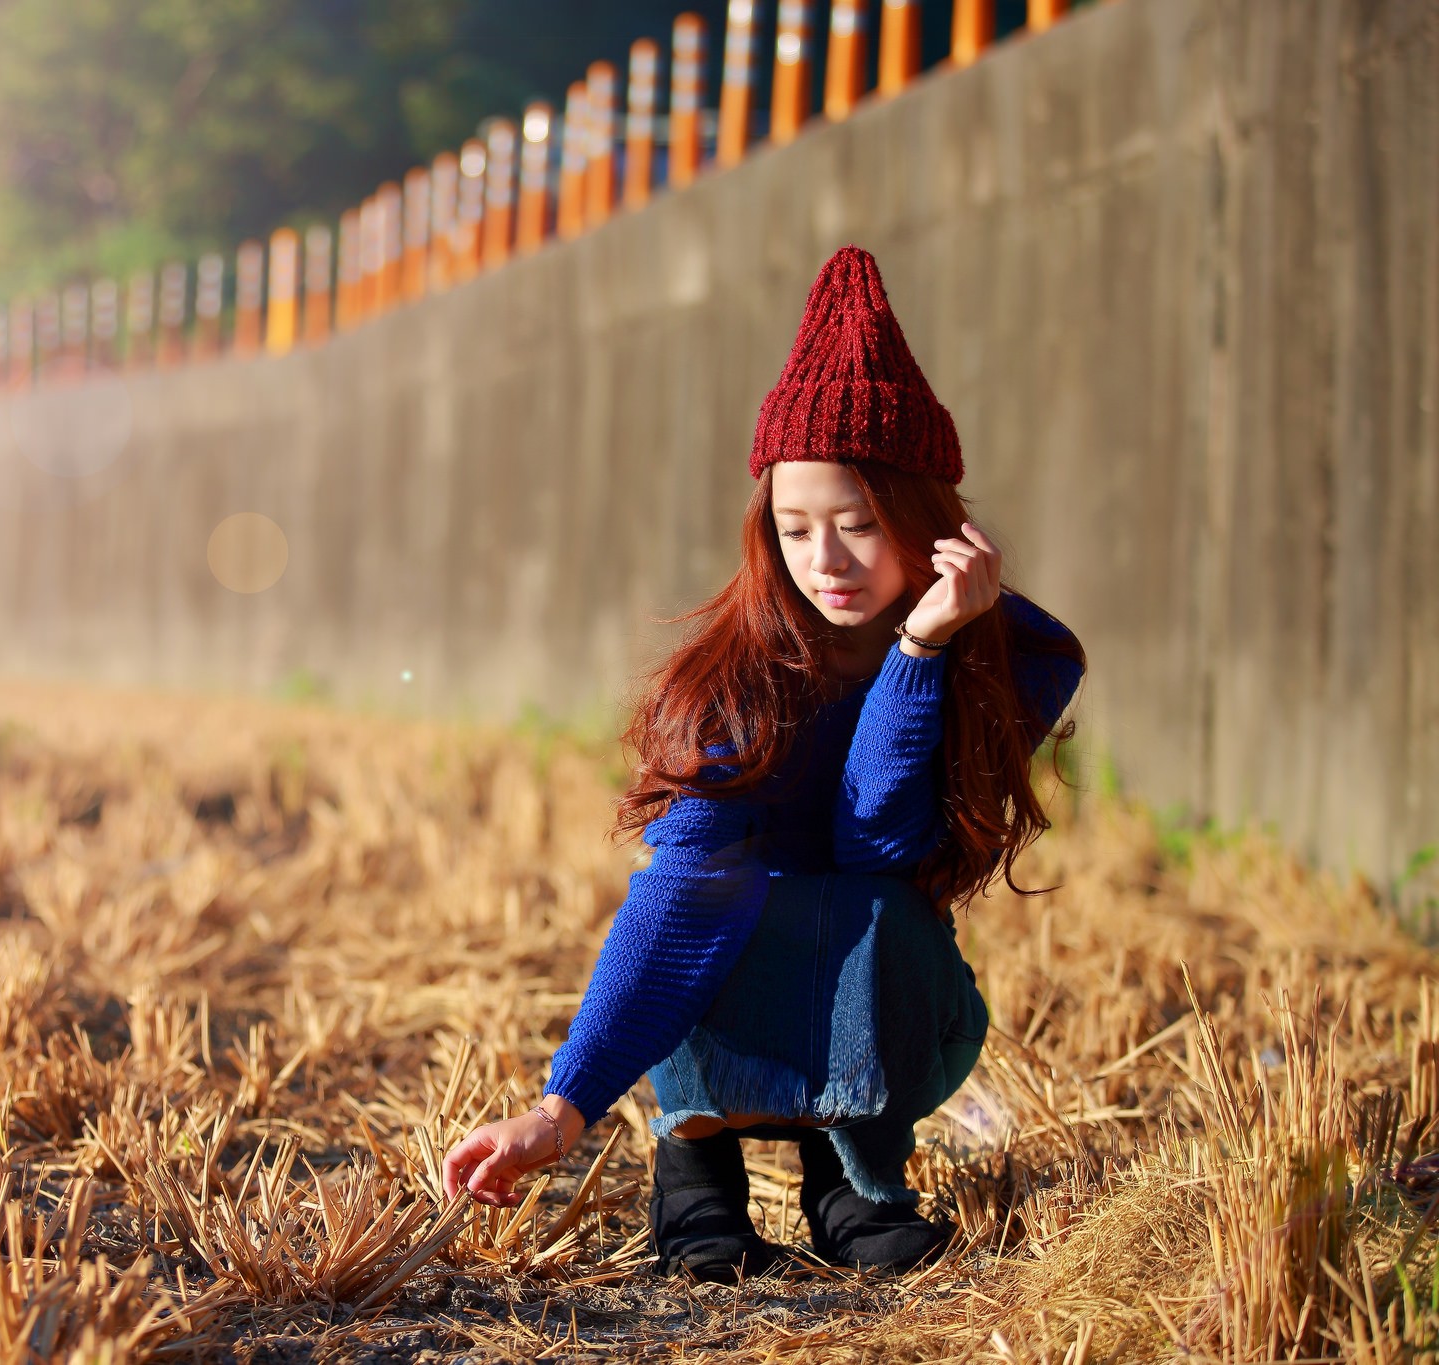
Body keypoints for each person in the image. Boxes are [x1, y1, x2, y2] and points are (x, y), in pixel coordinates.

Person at [441, 244, 1086, 1282]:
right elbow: (683, 898)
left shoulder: (1015, 658)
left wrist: (918, 654)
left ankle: (858, 1179)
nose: (823, 561)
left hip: (875, 975)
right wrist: (563, 1107)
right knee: (730, 901)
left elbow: (881, 841)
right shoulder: (727, 690)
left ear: (928, 522)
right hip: (727, 962)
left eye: (857, 525)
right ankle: (693, 1173)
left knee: (875, 910)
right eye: (793, 529)